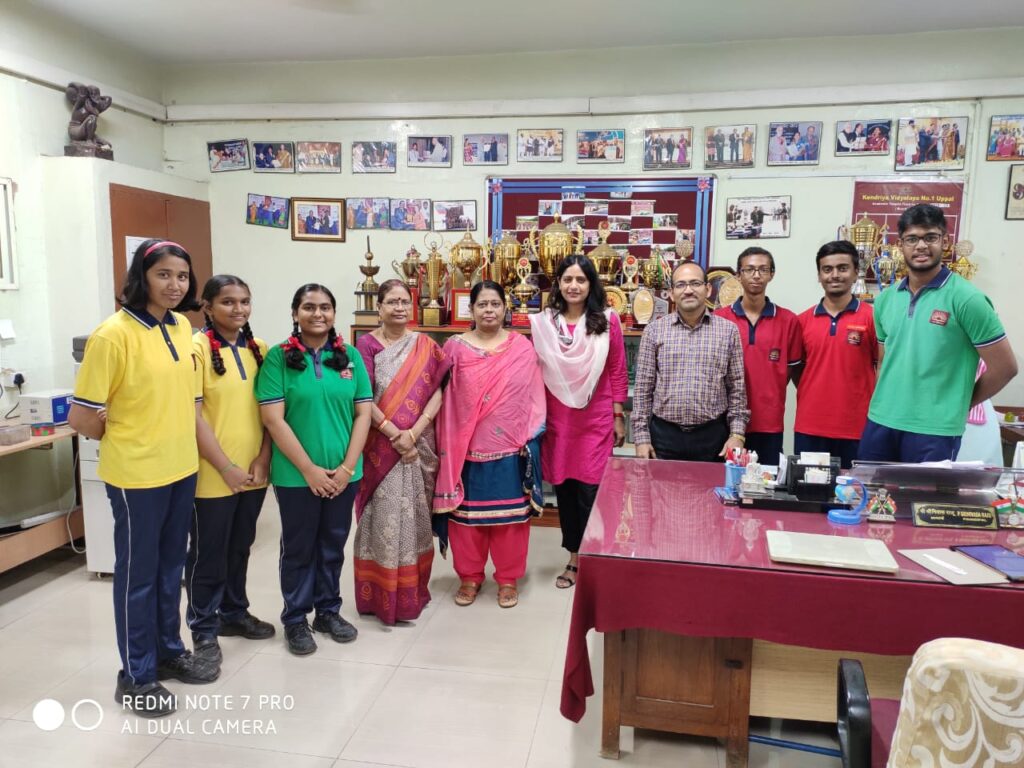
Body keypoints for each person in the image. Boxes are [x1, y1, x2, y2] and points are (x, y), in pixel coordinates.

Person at [69, 239, 217, 719]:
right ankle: (136, 675)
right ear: (141, 277)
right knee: (139, 575)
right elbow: (82, 417)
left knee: (171, 569)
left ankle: (169, 652)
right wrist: (128, 437)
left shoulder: (181, 327)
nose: (174, 285)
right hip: (137, 477)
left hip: (181, 468)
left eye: (182, 276)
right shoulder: (112, 335)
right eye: (163, 275)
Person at [256, 284, 372, 655]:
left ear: (334, 313)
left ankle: (328, 611)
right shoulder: (278, 359)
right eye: (308, 307)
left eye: (325, 307)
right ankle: (295, 619)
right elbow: (273, 420)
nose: (317, 314)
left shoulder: (350, 356)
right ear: (295, 313)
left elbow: (363, 413)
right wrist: (309, 470)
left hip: (344, 475)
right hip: (295, 477)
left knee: (332, 545)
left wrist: (347, 468)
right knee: (299, 548)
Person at [860, 204, 1018, 462]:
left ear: (944, 242)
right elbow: (884, 360)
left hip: (933, 429)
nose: (921, 246)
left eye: (930, 237)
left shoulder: (967, 299)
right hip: (881, 420)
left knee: (922, 491)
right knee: (872, 488)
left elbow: (1005, 367)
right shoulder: (886, 299)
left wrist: (962, 403)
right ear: (901, 245)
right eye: (912, 239)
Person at [433, 281, 545, 609]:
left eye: (495, 304)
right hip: (465, 450)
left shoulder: (521, 348)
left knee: (511, 520)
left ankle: (508, 578)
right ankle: (469, 577)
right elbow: (443, 397)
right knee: (466, 520)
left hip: (510, 449)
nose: (489, 310)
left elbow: (534, 394)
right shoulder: (454, 348)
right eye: (482, 304)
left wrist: (529, 435)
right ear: (471, 309)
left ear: (505, 308)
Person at [186, 276, 273, 667]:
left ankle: (234, 612)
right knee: (209, 552)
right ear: (207, 307)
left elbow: (271, 412)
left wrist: (263, 458)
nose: (238, 309)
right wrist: (225, 466)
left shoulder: (260, 349)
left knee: (240, 546)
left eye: (245, 301)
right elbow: (193, 418)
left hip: (253, 472)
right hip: (212, 473)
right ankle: (203, 627)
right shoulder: (196, 350)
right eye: (228, 302)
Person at [353, 280, 449, 625]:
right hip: (380, 447)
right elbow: (362, 395)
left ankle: (412, 594)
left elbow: (438, 391)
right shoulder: (365, 345)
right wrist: (395, 434)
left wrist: (414, 432)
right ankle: (377, 596)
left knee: (416, 518)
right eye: (391, 301)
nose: (399, 307)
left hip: (418, 445)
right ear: (378, 307)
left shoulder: (425, 345)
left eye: (404, 302)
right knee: (382, 519)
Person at [529, 256, 627, 589]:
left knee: (593, 492)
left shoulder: (607, 321)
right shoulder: (545, 324)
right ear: (558, 284)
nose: (574, 286)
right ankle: (574, 557)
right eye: (567, 279)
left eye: (581, 280)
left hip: (595, 422)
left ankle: (596, 557)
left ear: (591, 284)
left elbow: (617, 370)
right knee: (567, 492)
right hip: (559, 422)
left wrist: (618, 416)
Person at [633, 261, 749, 462]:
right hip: (664, 436)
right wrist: (641, 438)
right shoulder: (654, 331)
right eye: (681, 285)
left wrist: (737, 435)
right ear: (671, 293)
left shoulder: (728, 331)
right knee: (662, 484)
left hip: (713, 437)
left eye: (695, 283)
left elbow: (737, 389)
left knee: (712, 484)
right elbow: (643, 389)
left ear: (708, 289)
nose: (688, 290)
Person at [793, 241, 877, 468]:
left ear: (855, 272)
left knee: (855, 489)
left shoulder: (872, 317)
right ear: (819, 275)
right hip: (810, 427)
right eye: (827, 269)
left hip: (857, 428)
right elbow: (798, 371)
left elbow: (881, 367)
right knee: (810, 488)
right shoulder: (802, 321)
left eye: (843, 268)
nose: (835, 275)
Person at [715, 248, 801, 461]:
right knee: (725, 479)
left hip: (768, 424)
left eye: (763, 269)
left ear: (772, 274)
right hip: (725, 422)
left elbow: (791, 372)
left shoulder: (788, 321)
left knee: (766, 479)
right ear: (738, 275)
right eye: (749, 269)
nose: (756, 275)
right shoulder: (719, 319)